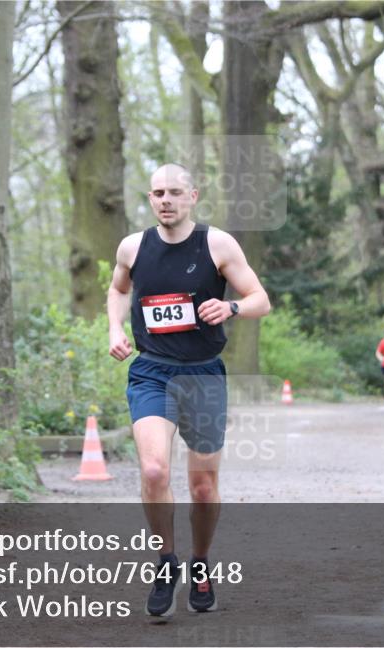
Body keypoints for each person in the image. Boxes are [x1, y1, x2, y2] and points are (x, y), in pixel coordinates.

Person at [107, 163, 270, 617]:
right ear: (150, 197)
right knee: (155, 471)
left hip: (202, 374)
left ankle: (200, 564)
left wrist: (233, 306)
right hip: (151, 371)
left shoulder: (217, 244)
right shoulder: (133, 247)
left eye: (174, 192)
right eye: (157, 192)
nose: (165, 200)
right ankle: (165, 562)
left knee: (202, 486)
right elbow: (118, 289)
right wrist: (114, 328)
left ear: (192, 196)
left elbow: (261, 298)